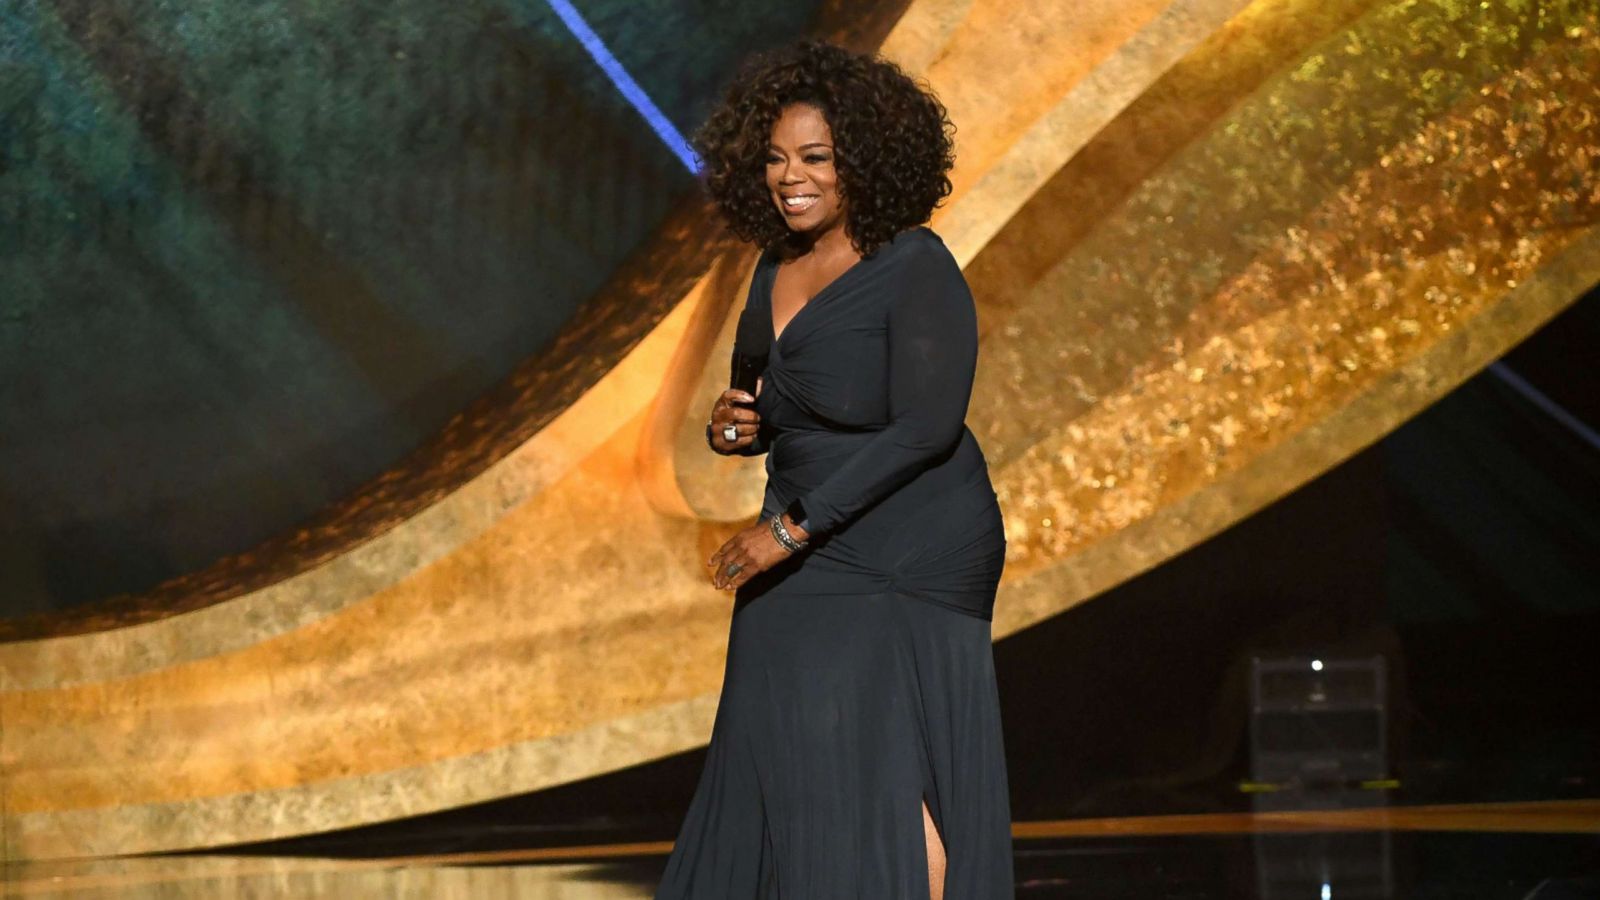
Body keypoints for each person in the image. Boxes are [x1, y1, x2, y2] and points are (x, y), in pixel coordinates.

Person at [656, 38, 1012, 900]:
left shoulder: (914, 263)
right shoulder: (772, 263)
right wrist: (735, 426)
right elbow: (761, 394)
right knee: (781, 744)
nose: (791, 177)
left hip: (909, 541)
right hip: (806, 527)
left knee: (887, 761)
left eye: (815, 157)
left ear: (864, 160)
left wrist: (790, 528)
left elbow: (925, 426)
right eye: (775, 159)